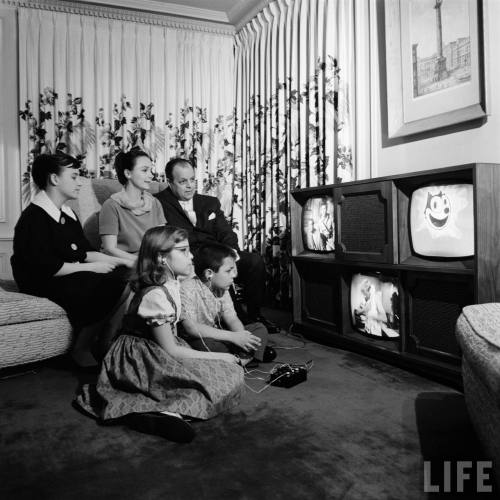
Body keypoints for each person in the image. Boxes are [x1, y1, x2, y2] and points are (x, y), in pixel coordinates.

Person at [75, 226, 245, 443]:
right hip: (141, 357)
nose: (191, 256)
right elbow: (171, 350)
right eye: (183, 251)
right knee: (215, 379)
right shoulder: (155, 294)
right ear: (162, 258)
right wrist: (222, 356)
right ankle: (154, 413)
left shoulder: (172, 282)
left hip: (162, 347)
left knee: (230, 375)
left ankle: (168, 412)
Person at [11, 153, 130, 367]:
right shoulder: (34, 218)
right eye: (74, 177)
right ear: (54, 179)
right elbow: (47, 268)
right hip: (43, 280)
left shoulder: (67, 213)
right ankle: (81, 347)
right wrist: (95, 268)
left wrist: (125, 262)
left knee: (126, 276)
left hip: (65, 272)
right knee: (108, 282)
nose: (80, 183)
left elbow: (84, 252)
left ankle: (107, 340)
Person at [155, 157, 279, 333]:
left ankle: (254, 315)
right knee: (219, 270)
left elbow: (226, 232)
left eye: (192, 180)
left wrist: (231, 255)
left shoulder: (209, 202)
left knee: (254, 261)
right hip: (189, 257)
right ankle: (238, 324)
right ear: (170, 182)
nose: (190, 185)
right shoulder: (158, 203)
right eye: (183, 182)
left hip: (217, 253)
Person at [179, 243, 277, 366]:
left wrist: (242, 337)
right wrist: (233, 337)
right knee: (204, 345)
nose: (234, 275)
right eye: (228, 271)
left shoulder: (222, 287)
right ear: (209, 273)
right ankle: (247, 357)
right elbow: (191, 328)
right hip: (199, 338)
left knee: (259, 328)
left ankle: (239, 357)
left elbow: (231, 318)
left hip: (220, 334)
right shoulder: (187, 288)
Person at [99, 148, 166, 267]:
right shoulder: (111, 206)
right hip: (122, 264)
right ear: (128, 173)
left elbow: (161, 242)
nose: (151, 175)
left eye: (151, 170)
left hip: (151, 263)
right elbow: (110, 249)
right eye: (145, 170)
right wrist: (142, 262)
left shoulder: (155, 203)